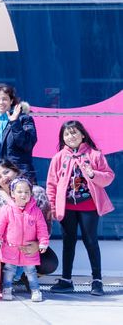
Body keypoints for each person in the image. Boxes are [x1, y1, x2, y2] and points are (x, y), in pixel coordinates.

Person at [46, 120, 115, 296]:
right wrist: (53, 207)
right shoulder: (58, 157)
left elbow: (108, 177)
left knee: (90, 241)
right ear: (63, 138)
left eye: (74, 132)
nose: (71, 137)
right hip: (66, 207)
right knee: (68, 242)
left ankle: (97, 281)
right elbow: (51, 184)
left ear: (83, 134)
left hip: (89, 207)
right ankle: (66, 280)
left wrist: (93, 173)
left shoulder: (95, 155)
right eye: (67, 134)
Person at [0, 160, 55, 277]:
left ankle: (26, 276)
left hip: (29, 245)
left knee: (50, 263)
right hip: (3, 247)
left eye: (6, 172)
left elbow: (46, 225)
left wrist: (37, 245)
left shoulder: (37, 193)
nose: (4, 177)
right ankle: (5, 277)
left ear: (15, 170)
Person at [0, 178, 49, 302]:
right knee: (9, 270)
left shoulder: (36, 211)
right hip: (10, 248)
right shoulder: (6, 210)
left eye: (27, 192)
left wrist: (43, 242)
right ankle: (7, 288)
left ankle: (35, 290)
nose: (23, 195)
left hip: (29, 249)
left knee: (31, 271)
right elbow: (0, 226)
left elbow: (42, 228)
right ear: (13, 193)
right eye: (20, 192)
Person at [0, 84, 38, 182]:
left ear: (11, 101)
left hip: (19, 173)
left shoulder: (24, 119)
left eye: (4, 99)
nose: (1, 102)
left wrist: (15, 122)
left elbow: (27, 144)